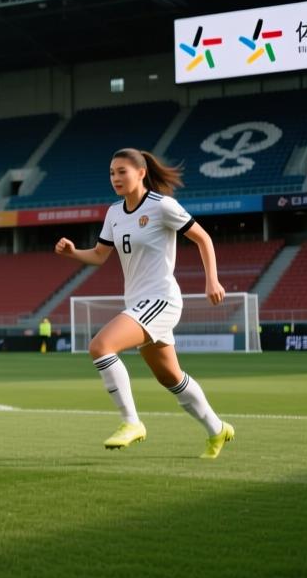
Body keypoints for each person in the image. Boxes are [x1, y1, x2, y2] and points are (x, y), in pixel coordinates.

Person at [55, 147, 234, 459]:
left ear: (140, 173)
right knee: (170, 377)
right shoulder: (113, 213)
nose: (115, 178)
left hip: (161, 299)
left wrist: (212, 279)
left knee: (101, 346)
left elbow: (203, 238)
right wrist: (73, 253)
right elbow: (99, 255)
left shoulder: (162, 206)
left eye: (122, 171)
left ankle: (131, 422)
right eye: (111, 173)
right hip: (138, 302)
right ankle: (218, 429)